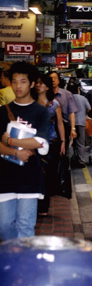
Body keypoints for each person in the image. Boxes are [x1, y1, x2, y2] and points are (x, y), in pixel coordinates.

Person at [0, 61, 50, 241]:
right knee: (4, 226)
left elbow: (40, 141)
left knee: (25, 226)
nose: (17, 86)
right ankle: (15, 253)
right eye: (14, 81)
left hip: (30, 178)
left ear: (31, 84)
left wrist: (9, 140)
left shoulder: (41, 112)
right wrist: (16, 152)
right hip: (5, 178)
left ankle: (22, 265)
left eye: (22, 81)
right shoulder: (2, 112)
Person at [35, 73, 66, 215]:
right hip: (34, 143)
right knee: (36, 174)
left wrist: (63, 142)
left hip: (51, 143)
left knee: (47, 175)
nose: (38, 85)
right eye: (37, 83)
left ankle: (43, 207)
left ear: (47, 87)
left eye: (41, 83)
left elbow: (60, 123)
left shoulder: (54, 104)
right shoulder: (31, 103)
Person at [49, 71, 78, 156]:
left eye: (55, 78)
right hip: (50, 126)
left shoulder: (67, 94)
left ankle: (65, 167)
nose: (53, 80)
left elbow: (71, 112)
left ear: (58, 81)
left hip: (64, 126)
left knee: (64, 151)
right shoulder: (45, 94)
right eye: (51, 79)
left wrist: (73, 128)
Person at [67, 81, 91, 168]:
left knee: (70, 142)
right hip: (81, 123)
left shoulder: (68, 98)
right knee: (80, 143)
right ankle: (81, 160)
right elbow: (89, 108)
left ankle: (72, 158)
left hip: (70, 123)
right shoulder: (83, 98)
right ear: (78, 89)